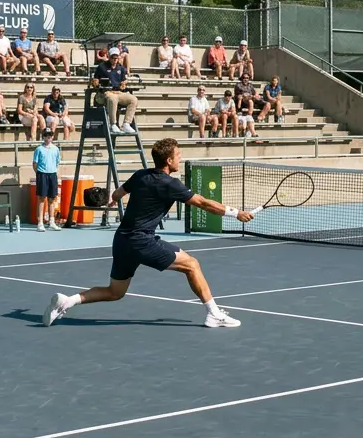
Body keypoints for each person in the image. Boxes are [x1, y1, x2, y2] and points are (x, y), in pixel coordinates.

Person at [44, 138, 250, 329]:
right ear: (169, 160)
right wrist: (236, 213)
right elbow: (203, 203)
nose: (180, 158)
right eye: (178, 155)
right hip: (142, 241)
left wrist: (113, 199)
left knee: (115, 292)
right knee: (192, 265)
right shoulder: (170, 184)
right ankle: (214, 314)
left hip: (122, 241)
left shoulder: (140, 175)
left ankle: (67, 302)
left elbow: (118, 193)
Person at [32, 129, 61, 232]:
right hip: (42, 174)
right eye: (46, 135)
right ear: (43, 137)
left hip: (52, 174)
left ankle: (52, 221)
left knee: (52, 198)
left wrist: (53, 171)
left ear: (52, 137)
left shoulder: (56, 149)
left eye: (50, 135)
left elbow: (57, 162)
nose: (48, 137)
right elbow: (35, 164)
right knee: (41, 198)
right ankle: (40, 222)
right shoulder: (39, 149)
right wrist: (39, 173)